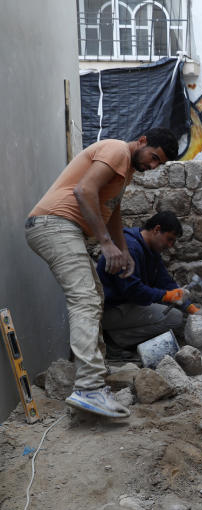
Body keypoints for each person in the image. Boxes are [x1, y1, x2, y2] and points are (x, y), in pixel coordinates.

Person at [25, 128, 178, 418]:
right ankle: (89, 388)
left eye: (160, 164)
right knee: (85, 300)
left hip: (62, 228)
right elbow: (84, 191)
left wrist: (123, 250)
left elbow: (112, 209)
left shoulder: (124, 170)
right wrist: (106, 245)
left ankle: (95, 382)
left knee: (94, 297)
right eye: (154, 157)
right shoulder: (118, 150)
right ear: (142, 141)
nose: (153, 166)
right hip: (54, 224)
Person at [97, 210, 201, 354]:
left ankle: (116, 338)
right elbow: (133, 290)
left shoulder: (151, 250)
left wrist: (192, 309)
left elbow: (165, 282)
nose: (170, 245)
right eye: (169, 239)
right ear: (157, 229)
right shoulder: (130, 247)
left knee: (175, 313)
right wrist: (166, 296)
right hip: (109, 310)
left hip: (125, 306)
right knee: (174, 318)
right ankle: (114, 340)